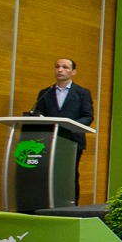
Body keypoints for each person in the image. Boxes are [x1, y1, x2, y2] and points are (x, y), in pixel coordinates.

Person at [31, 58, 94, 204]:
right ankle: (48, 205)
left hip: (72, 141)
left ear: (73, 72)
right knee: (48, 175)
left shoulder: (82, 93)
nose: (60, 70)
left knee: (69, 176)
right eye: (57, 66)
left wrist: (69, 126)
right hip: (49, 141)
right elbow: (39, 113)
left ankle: (71, 207)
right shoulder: (45, 92)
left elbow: (88, 116)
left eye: (65, 67)